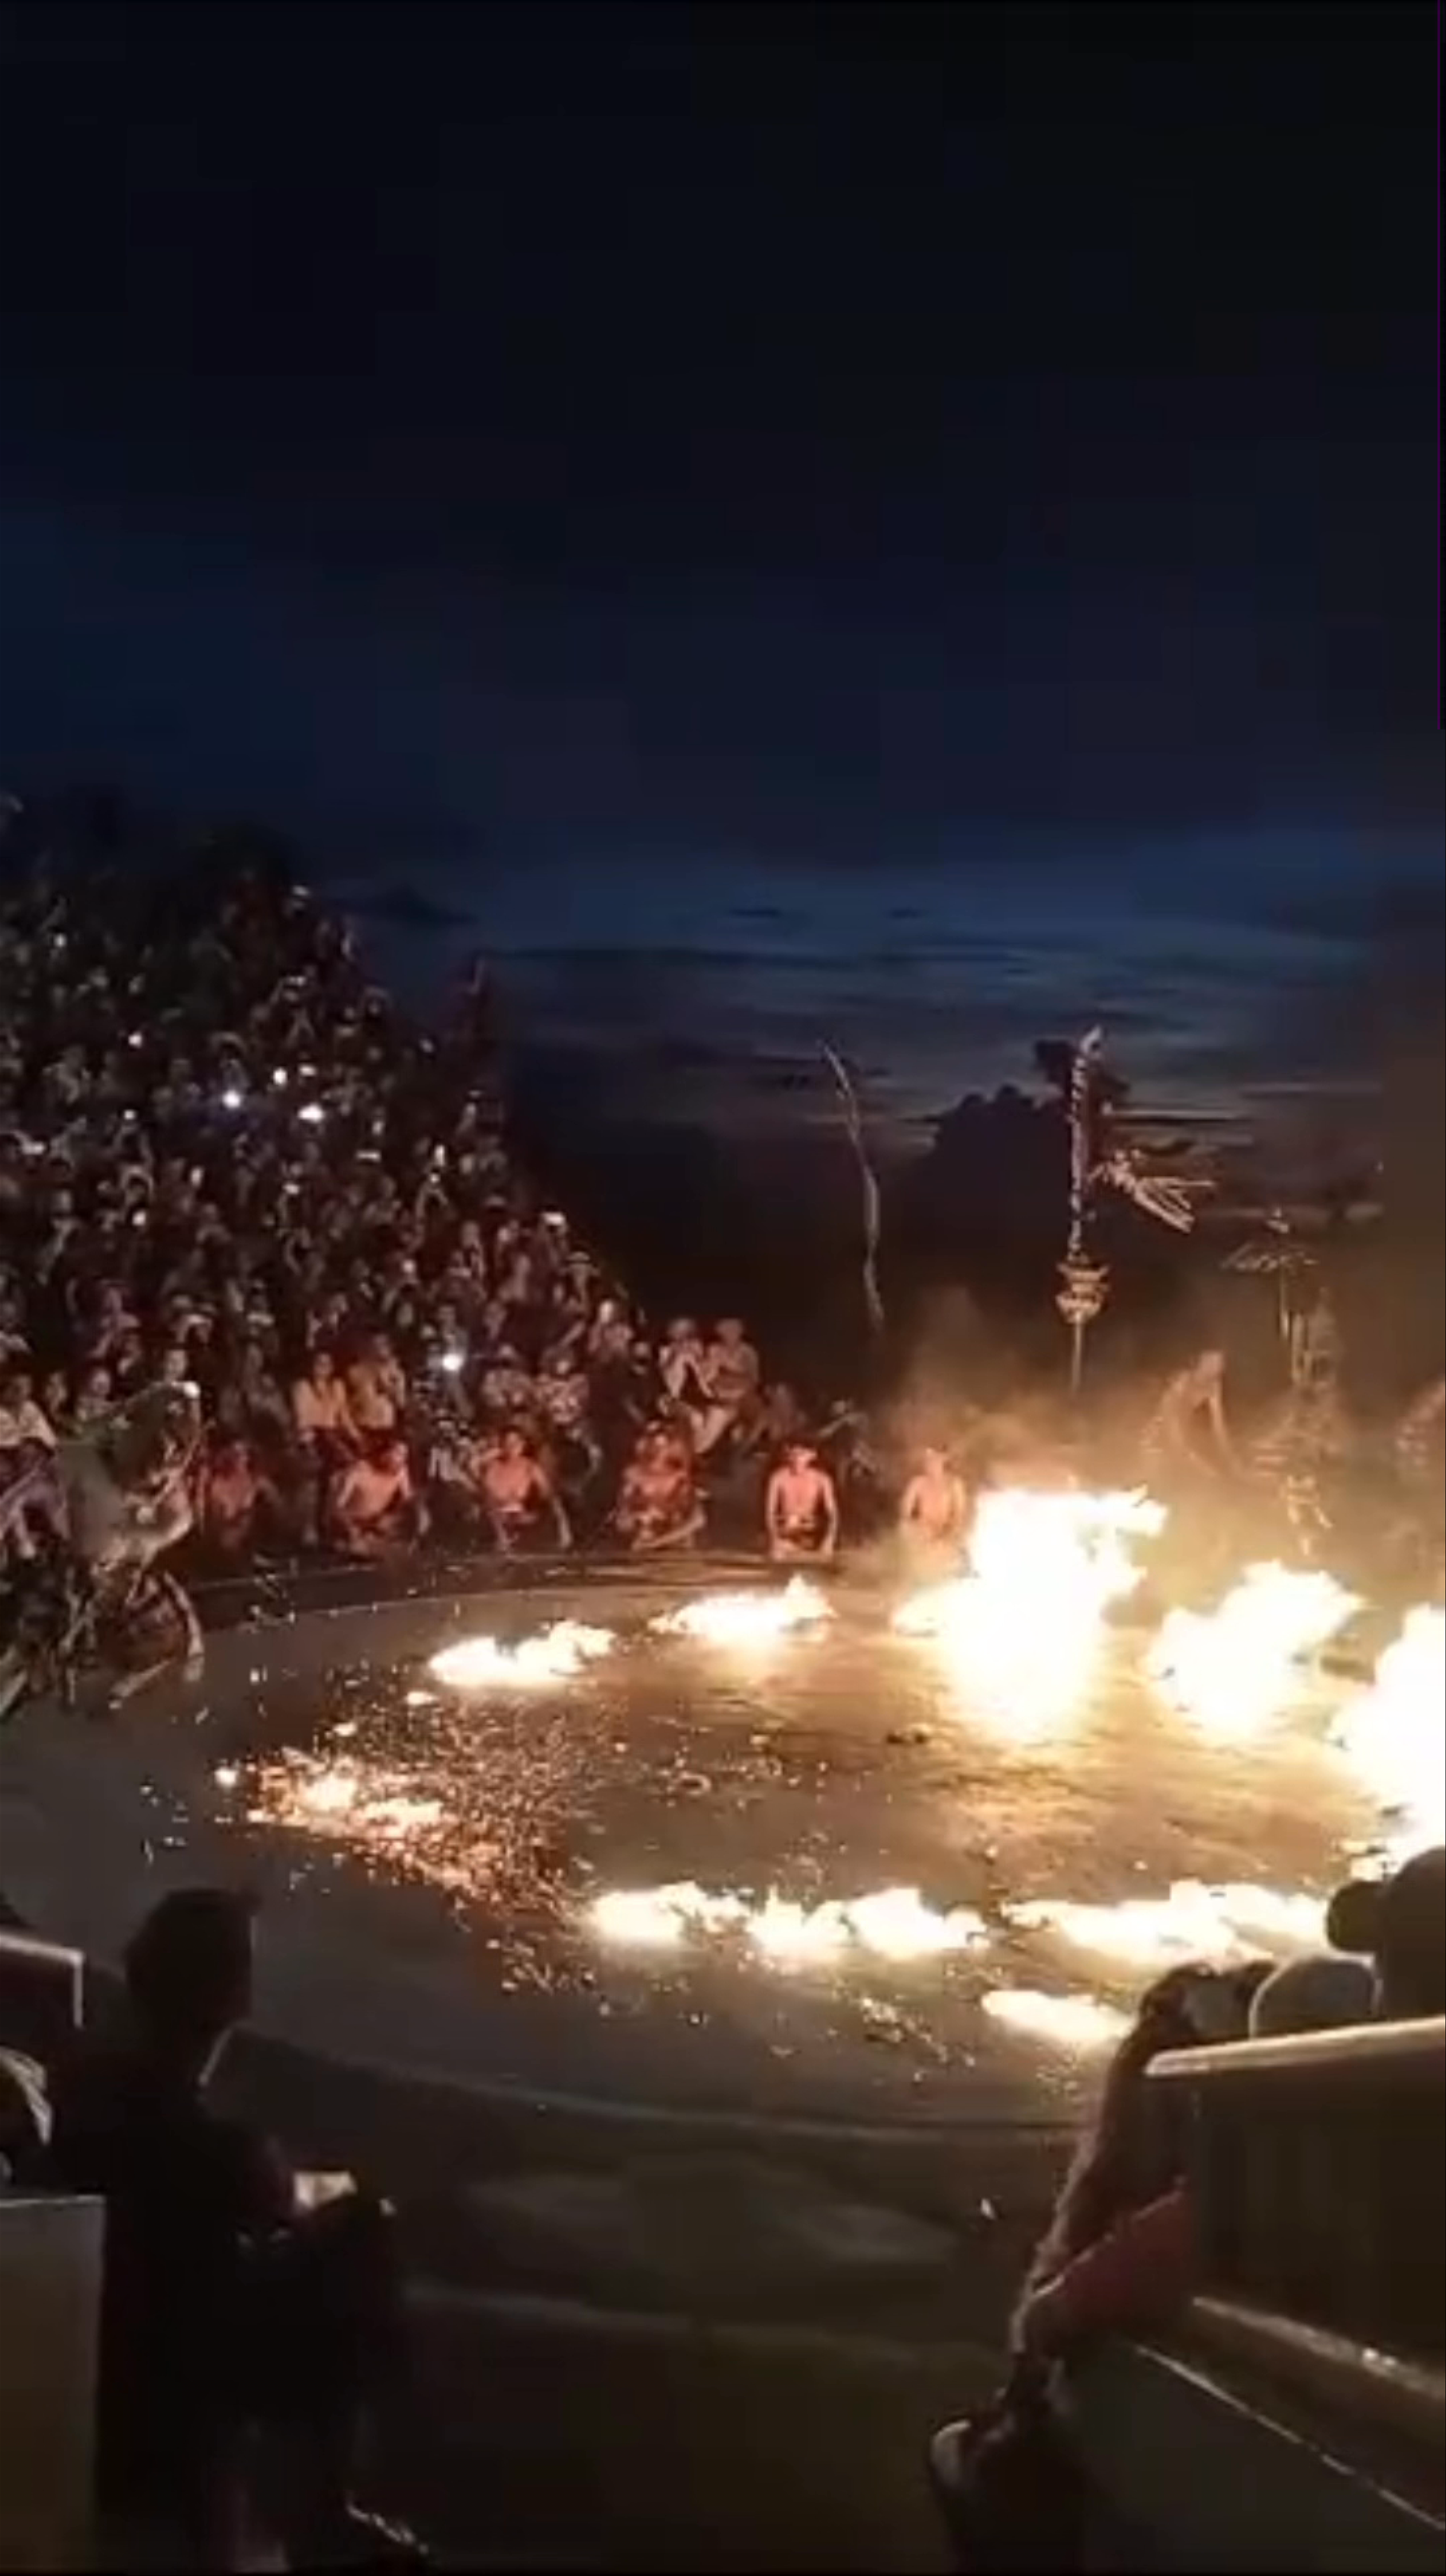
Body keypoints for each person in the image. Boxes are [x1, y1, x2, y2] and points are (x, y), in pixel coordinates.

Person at [44, 1887, 423, 2565]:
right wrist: (336, 2196)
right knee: (363, 2230)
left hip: (110, 2355)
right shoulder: (209, 2144)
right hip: (182, 2373)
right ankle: (325, 2508)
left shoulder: (83, 2090)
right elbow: (274, 2196)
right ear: (233, 1997)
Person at [1139, 1348, 1240, 1484]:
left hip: (1181, 1433)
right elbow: (1173, 1433)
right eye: (1211, 1363)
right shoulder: (1181, 1385)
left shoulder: (1213, 1385)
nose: (1216, 1368)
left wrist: (1231, 1459)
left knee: (1213, 1476)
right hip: (1157, 1437)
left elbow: (1219, 1425)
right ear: (1200, 1363)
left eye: (1220, 1364)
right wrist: (1201, 1468)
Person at [478, 1425, 571, 1553]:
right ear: (502, 1446)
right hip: (498, 1520)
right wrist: (500, 1532)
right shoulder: (494, 1468)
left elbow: (550, 1496)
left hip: (525, 1517)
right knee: (490, 1507)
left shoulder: (530, 1466)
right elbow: (488, 1500)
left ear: (523, 1445)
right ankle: (503, 1540)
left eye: (517, 1443)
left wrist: (563, 1527)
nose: (513, 1447)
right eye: (508, 1443)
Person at [614, 1424, 706, 1553]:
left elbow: (697, 1520)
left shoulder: (680, 1479)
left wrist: (657, 1543)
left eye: (661, 1447)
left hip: (675, 1551)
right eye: (651, 1445)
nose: (655, 1452)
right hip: (639, 1549)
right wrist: (633, 1521)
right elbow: (622, 1519)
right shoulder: (632, 1476)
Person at [765, 1438, 840, 1562]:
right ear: (788, 1456)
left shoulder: (822, 1479)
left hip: (811, 1529)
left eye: (802, 1455)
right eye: (794, 1455)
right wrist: (774, 1539)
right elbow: (769, 1513)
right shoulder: (778, 1478)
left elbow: (833, 1514)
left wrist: (829, 1541)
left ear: (812, 1456)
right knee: (778, 1555)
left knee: (824, 1556)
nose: (798, 1460)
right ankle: (785, 1546)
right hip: (786, 1529)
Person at [898, 1446, 969, 1552]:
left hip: (945, 1534)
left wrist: (946, 1536)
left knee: (952, 1542)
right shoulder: (918, 1483)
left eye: (935, 1459)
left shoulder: (954, 1485)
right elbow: (905, 1512)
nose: (930, 1463)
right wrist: (914, 1529)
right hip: (922, 1531)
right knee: (905, 1529)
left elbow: (959, 1516)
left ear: (944, 1460)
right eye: (928, 1460)